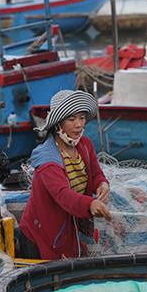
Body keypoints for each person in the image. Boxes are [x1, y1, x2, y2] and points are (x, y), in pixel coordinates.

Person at [19, 90, 111, 260]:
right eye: (71, 119)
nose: (79, 125)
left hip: (70, 226)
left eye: (82, 118)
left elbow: (96, 174)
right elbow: (62, 195)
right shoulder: (47, 158)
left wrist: (102, 185)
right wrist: (90, 204)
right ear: (58, 123)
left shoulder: (84, 145)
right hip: (43, 233)